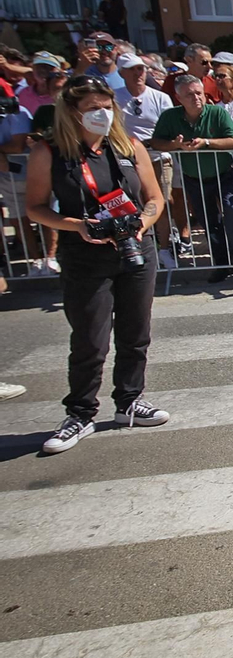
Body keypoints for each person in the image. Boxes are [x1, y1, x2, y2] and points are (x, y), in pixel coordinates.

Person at [25, 75, 168, 453]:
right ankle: (80, 412)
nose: (102, 115)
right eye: (92, 109)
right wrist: (78, 225)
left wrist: (142, 223)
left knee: (136, 333)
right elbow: (35, 206)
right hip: (85, 254)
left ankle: (129, 401)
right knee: (90, 337)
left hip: (136, 249)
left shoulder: (128, 146)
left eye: (106, 107)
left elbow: (154, 198)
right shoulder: (49, 151)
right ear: (72, 112)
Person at [149, 74, 233, 284]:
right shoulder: (170, 116)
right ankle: (221, 264)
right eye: (190, 94)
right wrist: (175, 145)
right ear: (178, 97)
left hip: (223, 174)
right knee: (209, 222)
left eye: (199, 93)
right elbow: (156, 141)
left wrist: (207, 143)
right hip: (194, 177)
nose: (196, 98)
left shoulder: (217, 112)